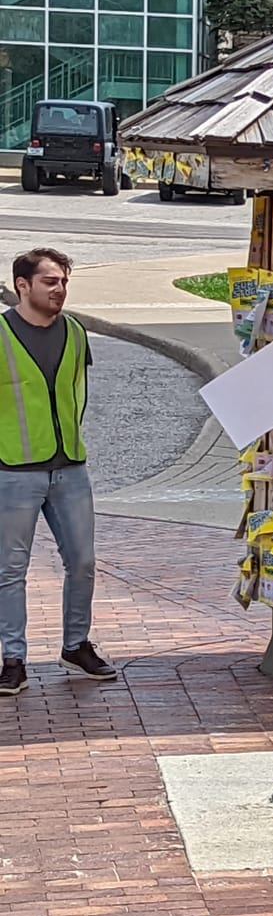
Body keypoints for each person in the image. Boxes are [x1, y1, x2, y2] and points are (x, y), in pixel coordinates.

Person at [1, 248, 114, 696]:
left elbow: (76, 393)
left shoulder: (76, 332)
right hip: (13, 470)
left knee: (83, 561)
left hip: (70, 468)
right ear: (22, 285)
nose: (60, 289)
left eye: (64, 281)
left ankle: (76, 644)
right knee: (10, 570)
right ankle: (13, 659)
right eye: (50, 281)